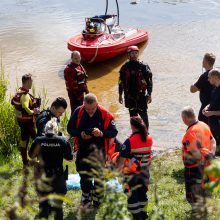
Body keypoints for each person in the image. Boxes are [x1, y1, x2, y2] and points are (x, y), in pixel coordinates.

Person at [67, 93, 118, 208]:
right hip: (83, 150)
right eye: (87, 109)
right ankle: (86, 198)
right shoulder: (78, 111)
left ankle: (97, 200)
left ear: (97, 105)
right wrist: (81, 134)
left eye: (93, 109)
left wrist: (101, 133)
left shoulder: (105, 114)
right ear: (83, 105)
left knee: (99, 177)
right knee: (84, 176)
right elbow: (70, 128)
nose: (90, 111)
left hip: (99, 152)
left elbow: (114, 132)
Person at [29, 118, 73, 220]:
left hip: (43, 175)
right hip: (58, 176)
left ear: (45, 130)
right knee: (58, 206)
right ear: (56, 130)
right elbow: (70, 159)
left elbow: (31, 155)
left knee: (43, 204)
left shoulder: (38, 140)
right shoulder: (62, 140)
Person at [112, 116, 153, 220]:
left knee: (132, 197)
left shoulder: (129, 141)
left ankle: (137, 217)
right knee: (142, 194)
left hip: (131, 175)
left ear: (132, 126)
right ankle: (144, 215)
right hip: (144, 173)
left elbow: (121, 162)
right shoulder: (149, 138)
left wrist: (117, 173)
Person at [181, 106, 216, 214]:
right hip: (205, 164)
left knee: (192, 191)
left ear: (186, 118)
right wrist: (211, 155)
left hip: (194, 167)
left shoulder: (191, 132)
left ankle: (197, 211)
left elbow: (195, 153)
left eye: (182, 118)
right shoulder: (204, 125)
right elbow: (213, 141)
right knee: (201, 187)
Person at [118, 45, 153, 129]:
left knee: (144, 115)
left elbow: (149, 82)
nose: (134, 55)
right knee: (133, 117)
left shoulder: (144, 66)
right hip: (129, 96)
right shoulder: (124, 67)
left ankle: (146, 133)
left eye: (136, 53)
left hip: (141, 95)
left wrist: (149, 94)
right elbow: (120, 82)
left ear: (138, 54)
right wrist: (120, 95)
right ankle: (135, 133)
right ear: (128, 55)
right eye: (132, 53)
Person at [11, 73, 40, 165]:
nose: (32, 83)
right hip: (28, 122)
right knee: (37, 139)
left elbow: (13, 102)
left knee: (24, 140)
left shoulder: (19, 92)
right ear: (27, 82)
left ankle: (25, 161)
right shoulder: (25, 96)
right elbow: (25, 107)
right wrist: (34, 112)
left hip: (21, 121)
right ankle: (40, 160)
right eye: (31, 81)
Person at [190, 53, 215, 124]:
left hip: (205, 108)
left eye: (203, 60)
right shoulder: (216, 73)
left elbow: (192, 90)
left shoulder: (204, 76)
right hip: (215, 106)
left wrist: (196, 80)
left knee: (202, 126)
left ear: (206, 62)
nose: (202, 62)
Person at [203, 68, 220, 156]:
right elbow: (213, 102)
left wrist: (212, 113)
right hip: (212, 124)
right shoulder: (215, 88)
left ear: (215, 77)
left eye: (209, 77)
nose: (208, 79)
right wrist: (207, 107)